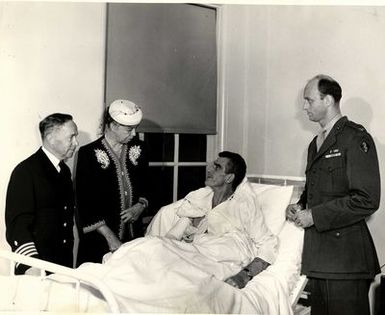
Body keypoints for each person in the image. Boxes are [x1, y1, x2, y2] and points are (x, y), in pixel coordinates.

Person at [286, 74, 381, 315]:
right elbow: (315, 192)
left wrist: (314, 216)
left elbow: (367, 199)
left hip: (345, 260)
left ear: (327, 100)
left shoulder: (355, 138)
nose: (304, 107)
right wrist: (299, 206)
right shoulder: (315, 143)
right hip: (319, 258)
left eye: (309, 100)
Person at [146, 151, 277, 288]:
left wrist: (245, 275)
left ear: (229, 178)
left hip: (223, 253)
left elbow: (267, 243)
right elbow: (174, 234)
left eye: (217, 167)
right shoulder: (200, 197)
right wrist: (162, 248)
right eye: (212, 165)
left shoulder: (243, 205)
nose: (209, 169)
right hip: (194, 251)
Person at [75, 99, 149, 265]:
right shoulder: (88, 154)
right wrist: (110, 237)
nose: (134, 134)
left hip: (133, 236)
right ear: (113, 125)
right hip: (100, 239)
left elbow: (149, 184)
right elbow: (84, 201)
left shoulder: (140, 149)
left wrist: (141, 205)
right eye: (129, 129)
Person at [5, 113, 79, 275]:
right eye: (71, 137)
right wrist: (31, 265)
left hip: (61, 264)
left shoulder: (64, 171)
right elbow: (17, 226)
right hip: (36, 267)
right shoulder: (25, 172)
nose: (76, 143)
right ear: (51, 138)